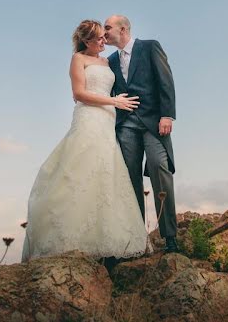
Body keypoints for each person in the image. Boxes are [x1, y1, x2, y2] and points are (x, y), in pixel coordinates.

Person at [21, 20, 149, 261]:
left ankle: (106, 238)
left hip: (107, 120)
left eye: (104, 36)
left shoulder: (106, 61)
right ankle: (71, 239)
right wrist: (113, 101)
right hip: (88, 117)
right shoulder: (78, 59)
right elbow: (78, 93)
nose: (103, 41)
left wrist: (116, 100)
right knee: (82, 168)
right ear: (86, 41)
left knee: (105, 172)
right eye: (99, 38)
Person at [104, 15, 179, 253]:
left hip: (153, 121)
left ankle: (170, 237)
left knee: (159, 166)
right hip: (125, 124)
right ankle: (137, 238)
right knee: (130, 179)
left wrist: (167, 115)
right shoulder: (110, 60)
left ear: (123, 29)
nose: (104, 33)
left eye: (108, 28)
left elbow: (165, 81)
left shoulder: (149, 47)